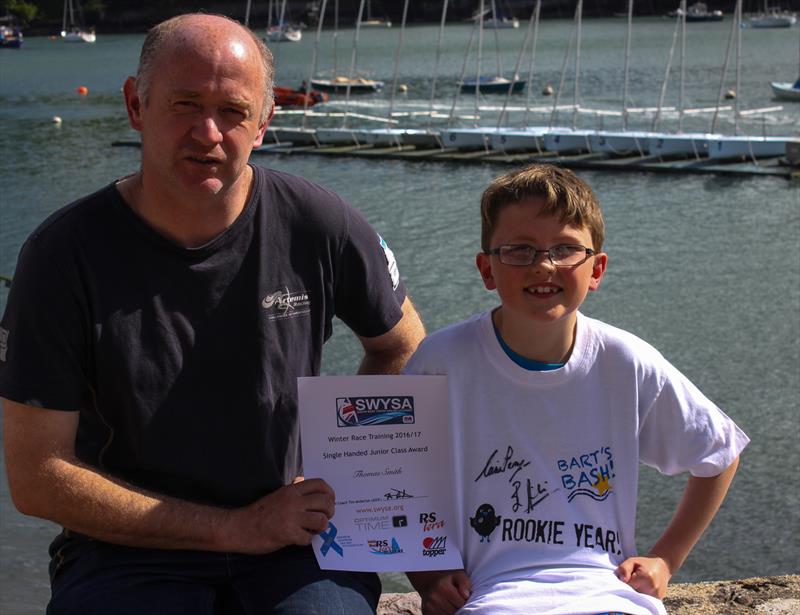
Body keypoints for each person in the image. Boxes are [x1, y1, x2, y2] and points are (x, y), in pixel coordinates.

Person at [0, 13, 425, 615]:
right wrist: (233, 528)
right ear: (134, 104)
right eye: (184, 103)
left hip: (291, 540)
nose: (208, 132)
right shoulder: (63, 255)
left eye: (232, 111)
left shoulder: (318, 224)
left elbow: (401, 343)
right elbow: (37, 474)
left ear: (264, 123)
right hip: (127, 546)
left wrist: (340, 467)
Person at [403, 164, 748, 615]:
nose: (544, 265)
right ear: (487, 268)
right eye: (520, 250)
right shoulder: (440, 362)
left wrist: (666, 558)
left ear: (597, 268)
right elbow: (395, 477)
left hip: (608, 595)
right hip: (495, 597)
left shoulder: (625, 361)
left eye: (566, 249)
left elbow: (719, 453)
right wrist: (427, 575)